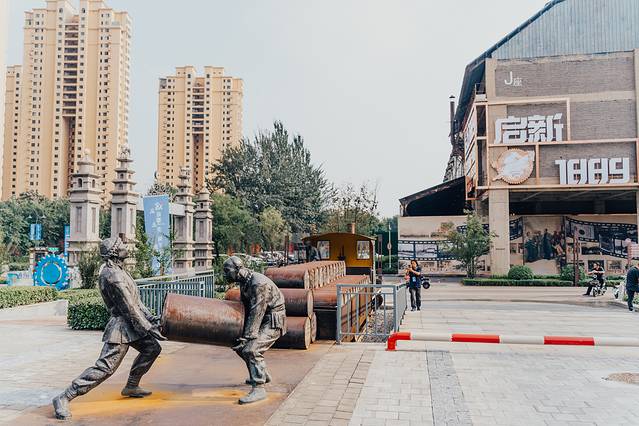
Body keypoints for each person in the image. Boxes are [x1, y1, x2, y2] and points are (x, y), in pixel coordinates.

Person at [52, 237, 166, 420]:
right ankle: (64, 396)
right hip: (120, 328)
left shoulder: (120, 271)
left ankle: (131, 385)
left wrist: (151, 318)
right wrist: (147, 327)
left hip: (131, 325)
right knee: (105, 367)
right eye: (121, 246)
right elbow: (129, 307)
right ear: (114, 252)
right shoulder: (112, 276)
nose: (125, 247)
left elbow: (136, 301)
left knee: (152, 349)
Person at [223, 256, 287, 404]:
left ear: (238, 269)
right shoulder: (244, 282)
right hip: (262, 319)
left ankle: (259, 388)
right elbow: (247, 309)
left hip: (273, 321)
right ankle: (262, 373)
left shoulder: (258, 284)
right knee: (239, 346)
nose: (225, 274)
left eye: (227, 270)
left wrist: (248, 336)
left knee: (251, 350)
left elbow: (257, 311)